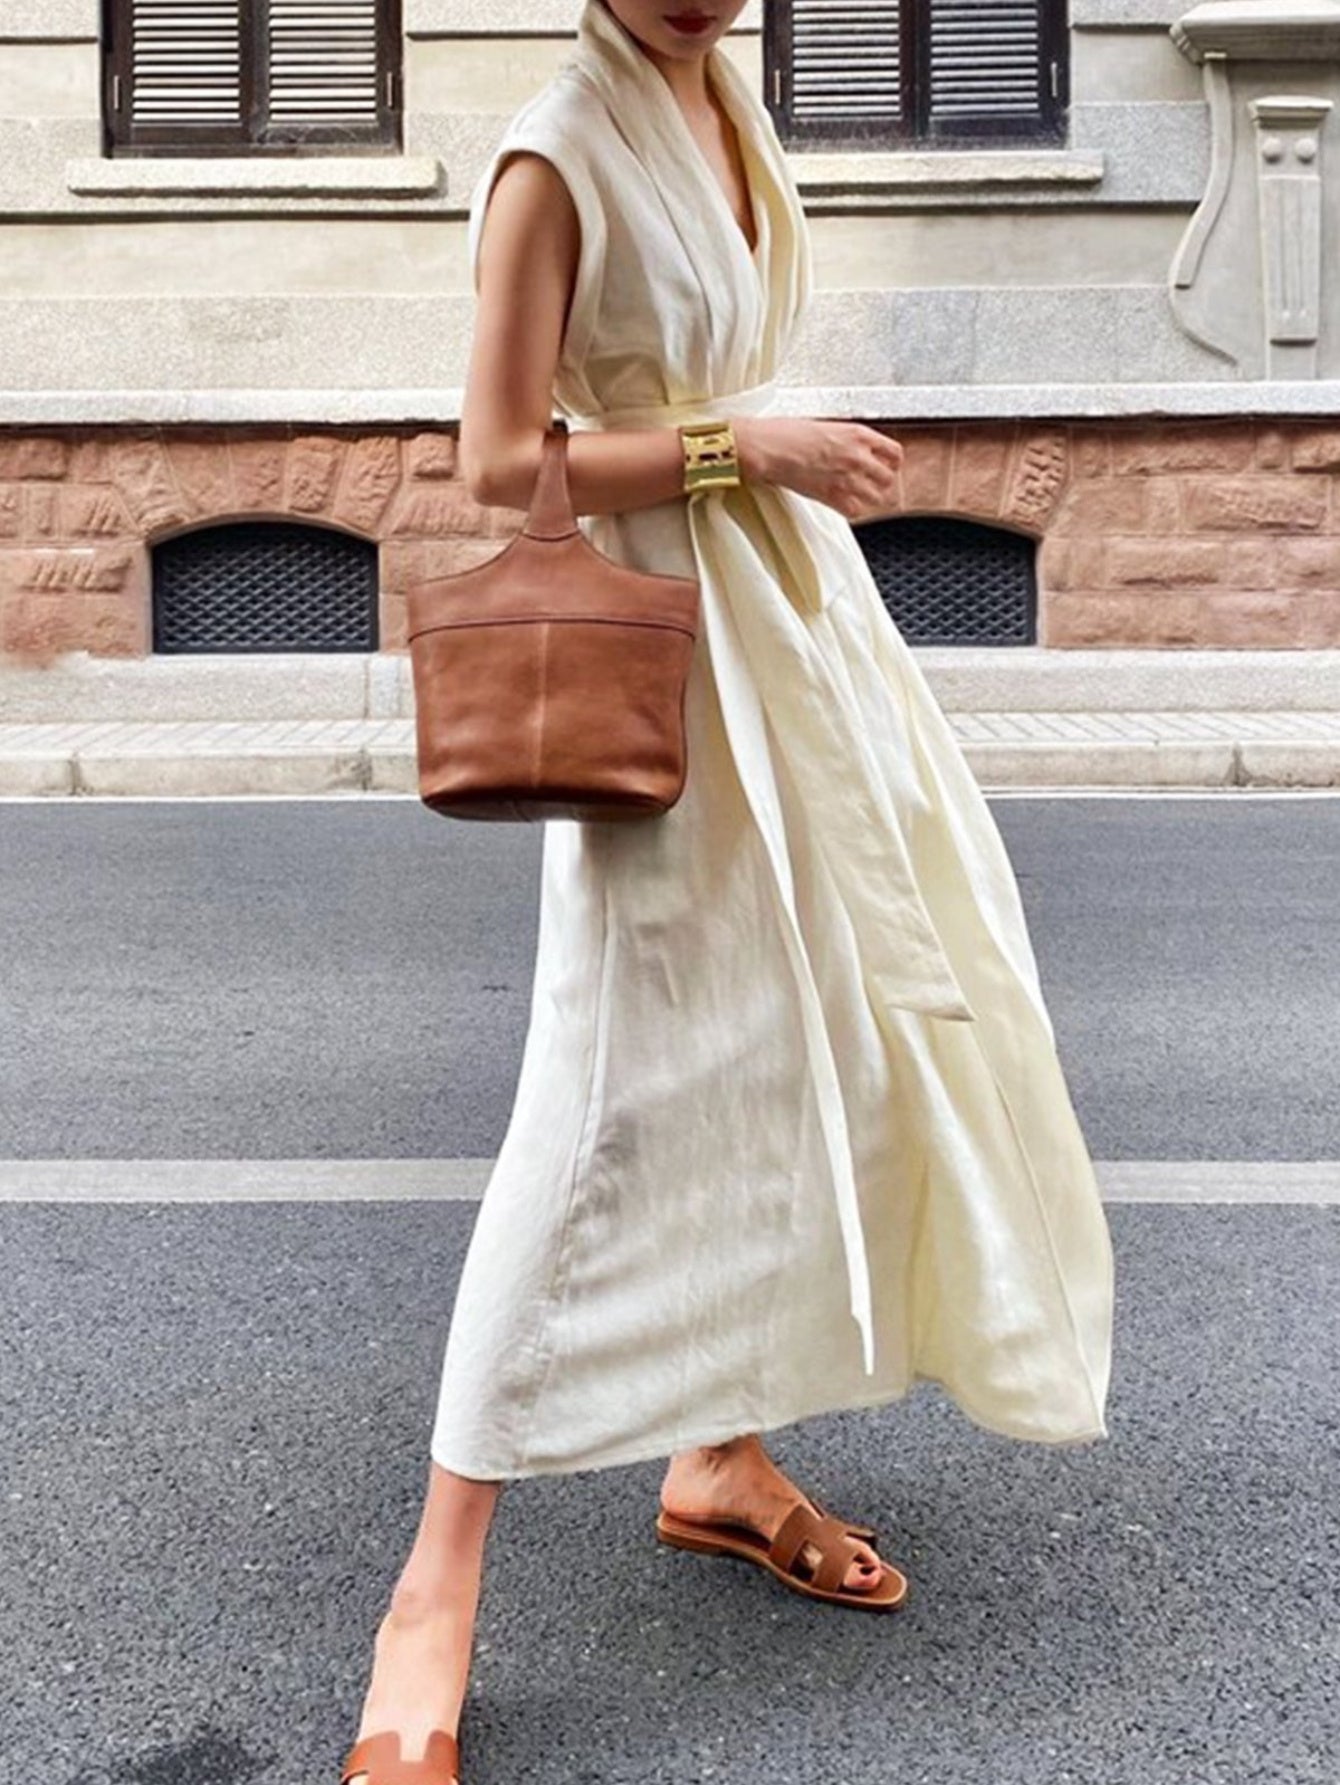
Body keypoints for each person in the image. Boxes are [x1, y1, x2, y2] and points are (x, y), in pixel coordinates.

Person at [340, 3, 1115, 1781]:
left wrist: (768, 469)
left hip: (796, 635)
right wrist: (741, 449)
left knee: (807, 1038)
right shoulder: (556, 149)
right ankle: (432, 1589)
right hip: (660, 661)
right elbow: (490, 458)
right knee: (605, 1088)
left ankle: (718, 1454)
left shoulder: (726, 96)